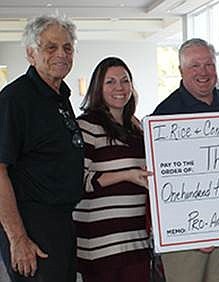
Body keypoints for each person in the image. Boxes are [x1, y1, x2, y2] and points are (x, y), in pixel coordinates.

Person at [152, 38, 219, 282]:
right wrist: (193, 231)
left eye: (209, 64)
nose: (203, 72)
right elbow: (164, 184)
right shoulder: (165, 113)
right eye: (195, 66)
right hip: (186, 233)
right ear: (181, 70)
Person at [0, 15, 84, 282]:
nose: (61, 54)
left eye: (67, 47)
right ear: (30, 54)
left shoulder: (61, 97)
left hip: (61, 224)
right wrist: (18, 238)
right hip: (32, 226)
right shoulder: (16, 99)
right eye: (51, 47)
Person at [72, 57, 152, 282]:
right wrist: (127, 175)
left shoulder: (137, 129)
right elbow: (78, 181)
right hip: (99, 247)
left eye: (125, 81)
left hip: (136, 243)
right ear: (98, 87)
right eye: (111, 82)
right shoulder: (86, 126)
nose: (120, 87)